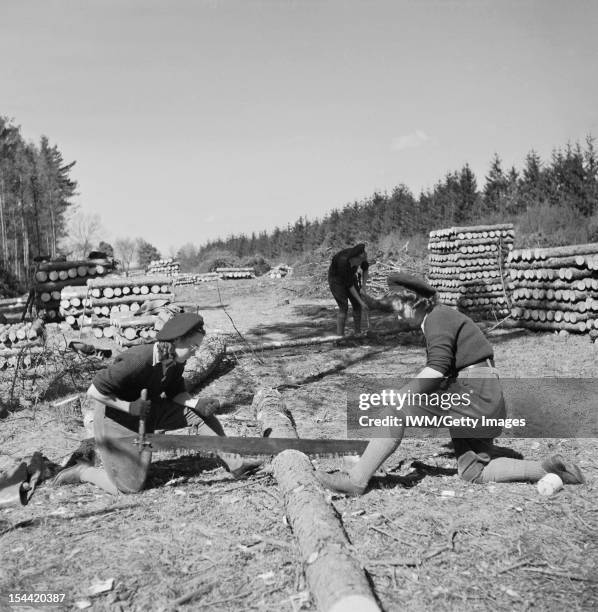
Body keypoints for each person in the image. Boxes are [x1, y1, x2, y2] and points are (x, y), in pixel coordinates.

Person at [316, 272, 585, 495]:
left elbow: (436, 370)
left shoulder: (437, 318)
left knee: (394, 411)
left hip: (475, 394)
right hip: (486, 399)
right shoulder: (440, 319)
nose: (397, 316)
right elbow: (443, 373)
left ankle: (356, 480)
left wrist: (402, 395)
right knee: (473, 472)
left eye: (399, 309)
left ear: (415, 302)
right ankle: (547, 469)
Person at [54, 312, 260, 494]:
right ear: (177, 340)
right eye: (193, 345)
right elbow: (94, 392)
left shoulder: (176, 362)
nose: (196, 351)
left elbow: (176, 394)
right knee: (129, 488)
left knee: (198, 415)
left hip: (147, 412)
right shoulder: (138, 359)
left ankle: (236, 464)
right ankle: (84, 472)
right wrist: (129, 407)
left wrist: (196, 403)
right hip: (114, 419)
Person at [328, 243, 370, 336]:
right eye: (360, 261)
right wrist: (361, 302)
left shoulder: (361, 255)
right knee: (344, 307)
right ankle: (340, 337)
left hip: (350, 276)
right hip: (336, 280)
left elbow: (365, 269)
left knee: (357, 304)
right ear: (355, 258)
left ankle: (357, 333)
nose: (361, 263)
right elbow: (349, 285)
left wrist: (363, 287)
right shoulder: (342, 262)